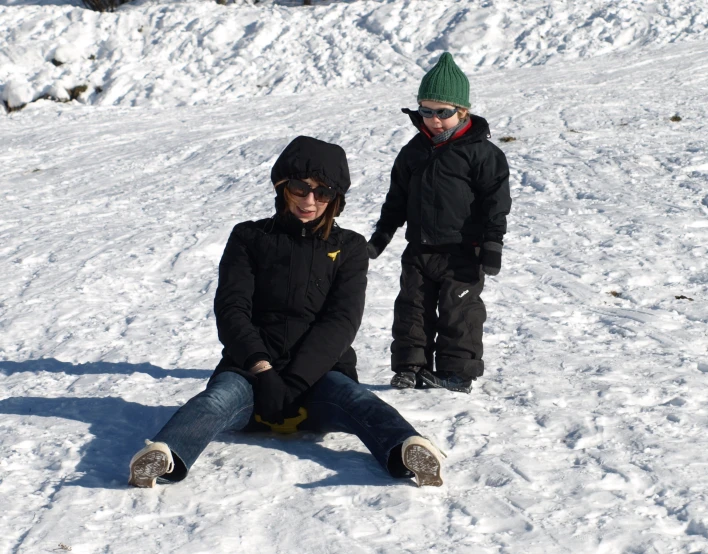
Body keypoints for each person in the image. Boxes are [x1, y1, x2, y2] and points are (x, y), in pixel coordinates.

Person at [128, 136, 444, 489]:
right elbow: (232, 309)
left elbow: (341, 320)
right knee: (214, 401)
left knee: (359, 401)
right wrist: (263, 372)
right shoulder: (249, 238)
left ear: (336, 199)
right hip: (250, 373)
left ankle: (406, 450)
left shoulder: (350, 247)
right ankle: (166, 455)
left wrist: (295, 381)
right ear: (282, 187)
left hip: (320, 375)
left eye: (322, 192)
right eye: (300, 188)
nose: (310, 201)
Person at [366, 52, 512, 394]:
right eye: (426, 111)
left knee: (459, 313)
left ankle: (456, 374)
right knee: (411, 310)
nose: (434, 120)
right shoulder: (413, 152)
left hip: (462, 252)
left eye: (443, 112)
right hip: (418, 249)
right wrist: (381, 236)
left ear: (462, 111)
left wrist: (492, 243)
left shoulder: (482, 154)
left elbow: (496, 203)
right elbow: (396, 200)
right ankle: (410, 367)